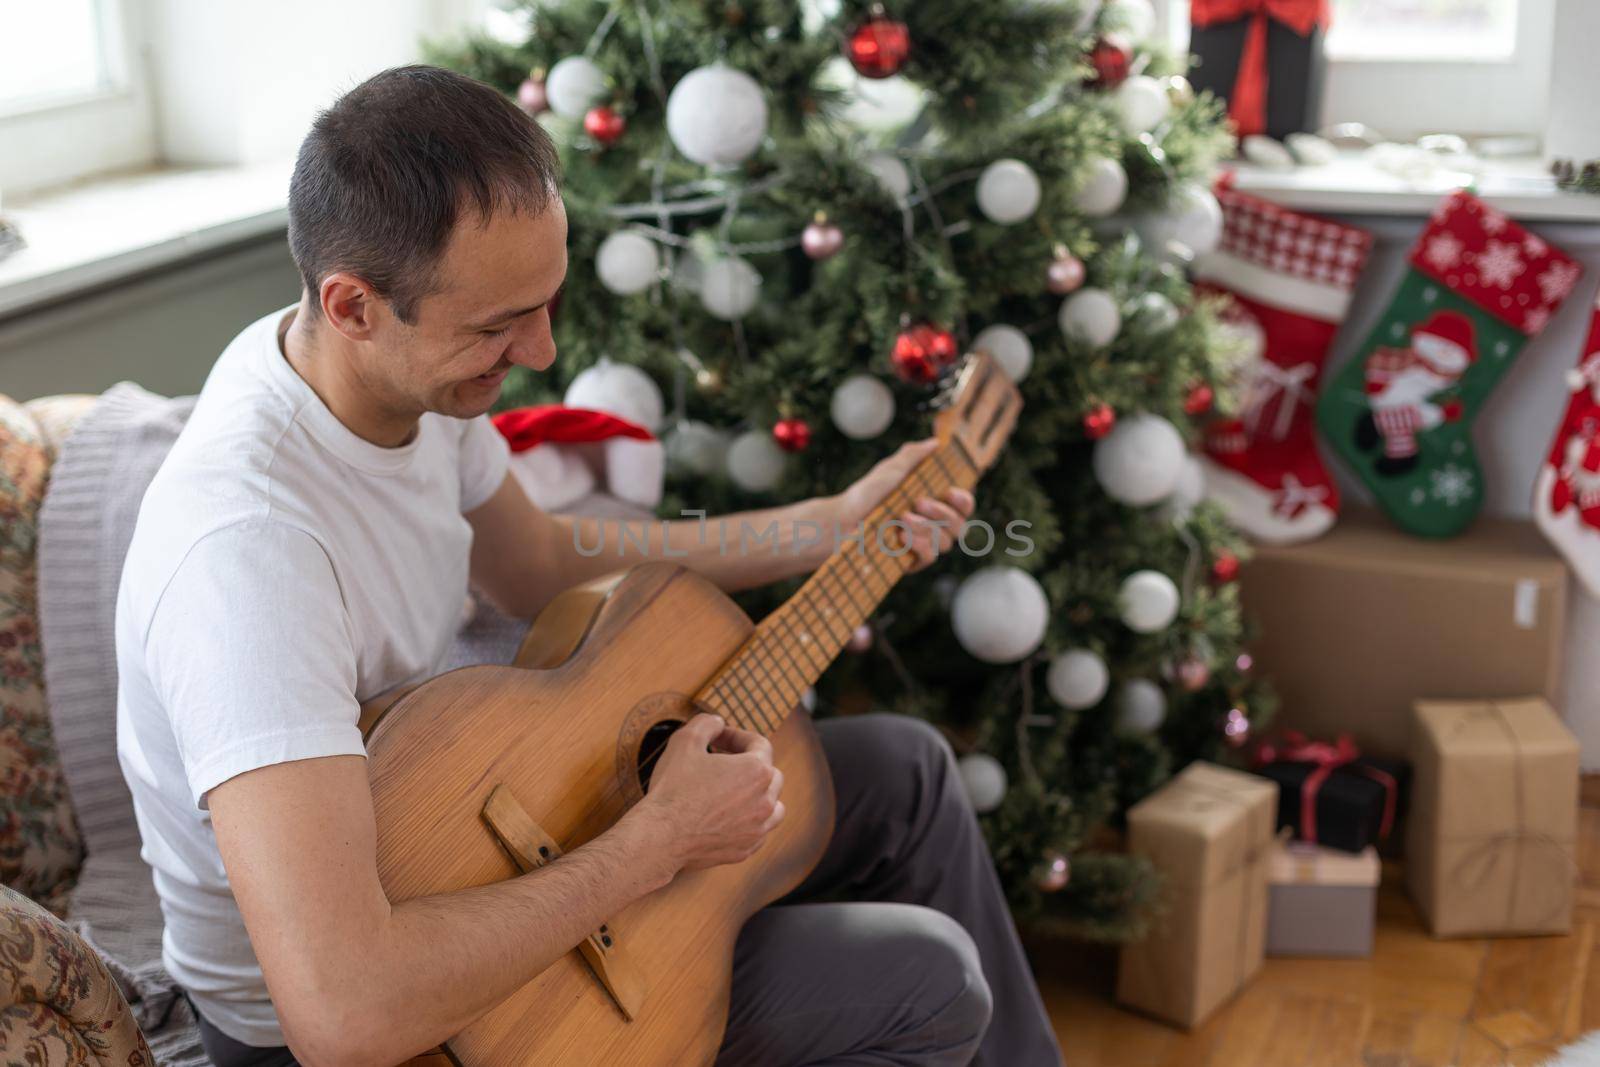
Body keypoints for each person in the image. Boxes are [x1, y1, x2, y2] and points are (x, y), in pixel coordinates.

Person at [115, 65, 1064, 1067]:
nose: (541, 346)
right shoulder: (251, 558)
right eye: (495, 325)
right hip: (384, 1026)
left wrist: (828, 524)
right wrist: (653, 842)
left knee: (908, 772)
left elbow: (542, 564)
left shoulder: (385, 386)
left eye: (546, 300)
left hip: (457, 855)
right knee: (925, 973)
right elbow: (344, 1012)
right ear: (353, 306)